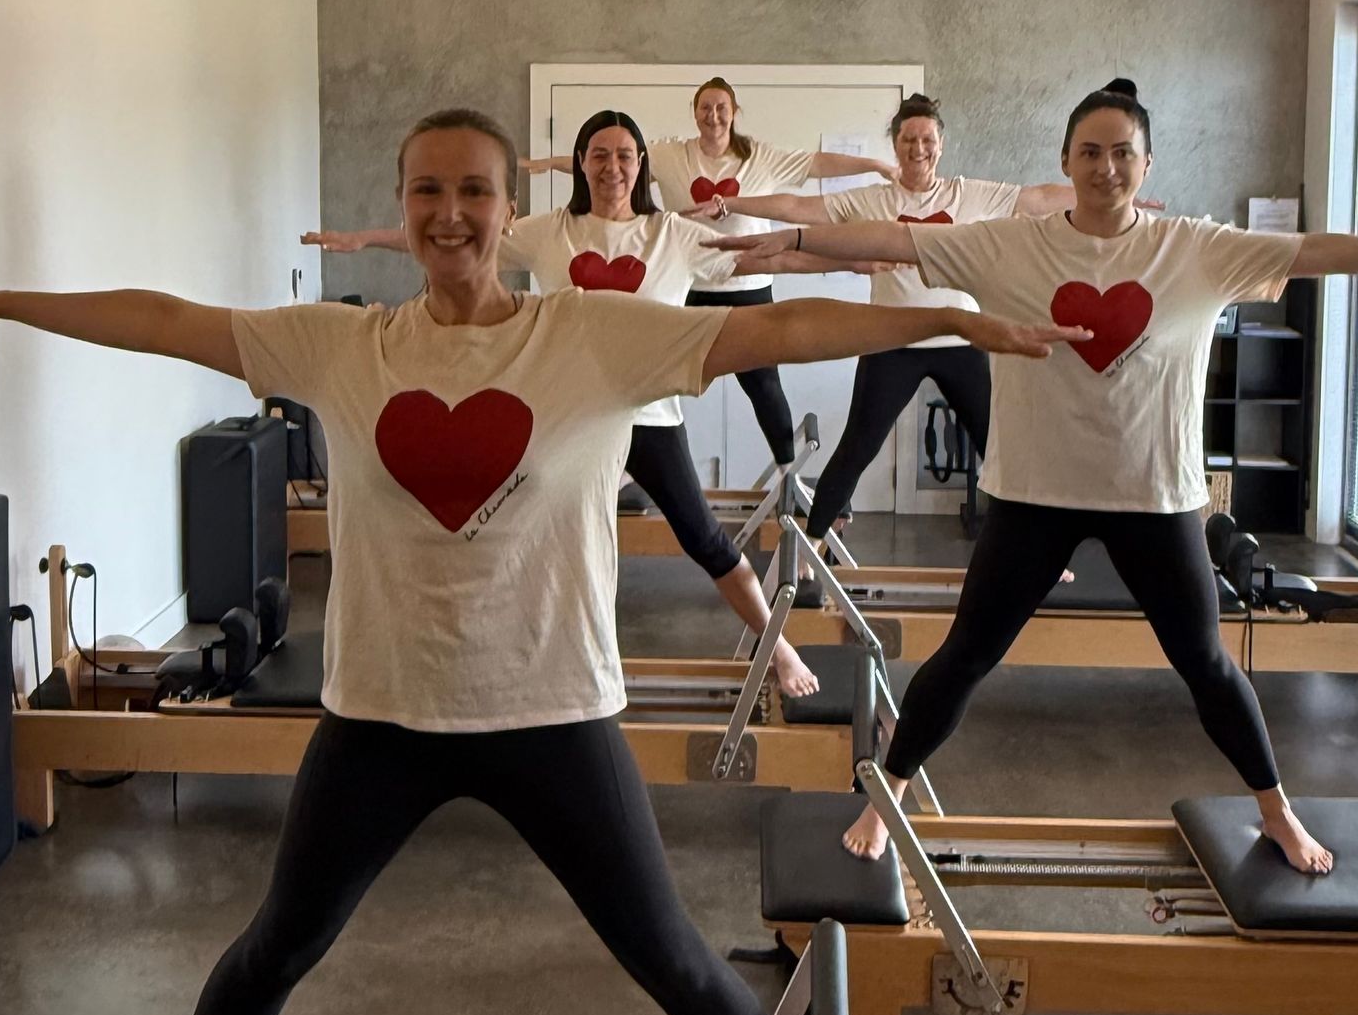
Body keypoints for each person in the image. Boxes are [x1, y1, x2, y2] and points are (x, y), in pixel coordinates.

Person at [0, 106, 1086, 1015]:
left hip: (553, 710)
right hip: (384, 716)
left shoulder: (596, 337)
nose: (450, 214)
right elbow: (166, 321)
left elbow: (778, 332)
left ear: (515, 212)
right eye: (426, 192)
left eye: (474, 192)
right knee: (276, 946)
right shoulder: (341, 346)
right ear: (401, 209)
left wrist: (942, 317)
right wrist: (2, 303)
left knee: (669, 958)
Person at [711, 79, 1358, 875]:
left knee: (1208, 665)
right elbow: (894, 239)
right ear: (1066, 161)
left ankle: (1276, 809)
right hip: (1035, 495)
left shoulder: (1197, 249)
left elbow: (1315, 252)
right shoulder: (1009, 242)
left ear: (1148, 163)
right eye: (1090, 152)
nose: (1106, 168)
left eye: (1122, 154)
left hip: (1157, 498)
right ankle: (882, 799)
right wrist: (788, 244)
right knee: (963, 656)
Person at [307, 107, 863, 699]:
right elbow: (459, 236)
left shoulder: (673, 234)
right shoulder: (551, 232)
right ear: (580, 163)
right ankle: (492, 657)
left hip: (648, 415)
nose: (612, 167)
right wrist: (364, 238)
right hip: (562, 416)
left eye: (625, 155)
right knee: (508, 534)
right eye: (599, 154)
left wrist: (855, 258)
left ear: (641, 165)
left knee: (704, 536)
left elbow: (768, 255)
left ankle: (777, 649)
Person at [692, 91, 1085, 544]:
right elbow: (798, 209)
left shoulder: (969, 195)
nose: (918, 149)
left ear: (941, 143)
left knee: (998, 448)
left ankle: (1037, 551)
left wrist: (1107, 191)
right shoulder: (872, 201)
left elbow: (1036, 199)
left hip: (959, 340)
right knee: (857, 448)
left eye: (927, 139)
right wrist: (733, 205)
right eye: (908, 140)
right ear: (894, 146)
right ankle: (808, 549)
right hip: (890, 342)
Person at [524, 76, 896, 467]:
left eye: (721, 107)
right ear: (695, 112)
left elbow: (819, 165)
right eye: (705, 107)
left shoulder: (759, 156)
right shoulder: (671, 155)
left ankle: (789, 471)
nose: (713, 115)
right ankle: (633, 467)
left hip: (747, 283)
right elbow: (611, 162)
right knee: (659, 377)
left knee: (764, 386)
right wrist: (550, 163)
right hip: (690, 284)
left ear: (734, 113)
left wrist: (873, 165)